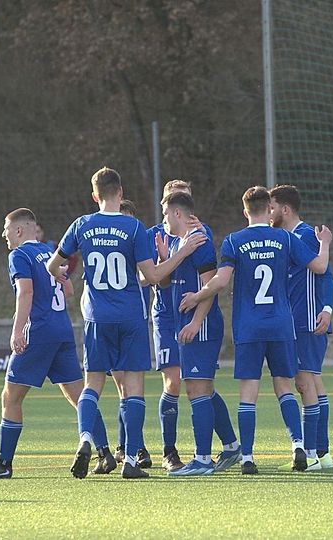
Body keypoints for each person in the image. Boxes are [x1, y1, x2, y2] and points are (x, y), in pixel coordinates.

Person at [46, 167, 204, 479]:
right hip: (130, 316)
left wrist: (64, 278)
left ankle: (85, 438)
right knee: (133, 388)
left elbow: (53, 265)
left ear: (95, 196)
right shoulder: (133, 228)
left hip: (97, 316)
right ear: (120, 193)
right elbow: (154, 276)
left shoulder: (82, 224)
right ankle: (130, 459)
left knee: (92, 384)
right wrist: (182, 252)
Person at [180, 186, 331, 475]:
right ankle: (298, 445)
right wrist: (324, 243)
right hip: (281, 325)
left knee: (248, 393)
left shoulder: (234, 241)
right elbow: (320, 267)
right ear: (269, 209)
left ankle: (248, 457)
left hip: (249, 326)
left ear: (244, 211)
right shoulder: (285, 238)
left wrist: (197, 296)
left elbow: (221, 282)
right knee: (284, 387)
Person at [0, 208, 115, 480]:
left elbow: (25, 292)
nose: (4, 234)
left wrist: (17, 331)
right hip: (62, 330)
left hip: (38, 332)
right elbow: (68, 290)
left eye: (6, 229)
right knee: (78, 396)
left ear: (19, 230)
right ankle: (104, 452)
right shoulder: (50, 252)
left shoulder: (19, 255)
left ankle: (4, 462)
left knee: (11, 397)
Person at [161, 191, 241, 476]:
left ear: (177, 213)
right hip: (186, 323)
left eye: (165, 214)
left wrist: (196, 322)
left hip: (201, 326)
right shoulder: (178, 242)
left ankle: (203, 459)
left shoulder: (199, 239)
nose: (163, 220)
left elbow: (210, 285)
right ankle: (230, 446)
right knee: (203, 388)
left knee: (196, 388)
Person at [269, 185, 333, 470]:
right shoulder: (285, 237)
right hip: (296, 320)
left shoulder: (306, 235)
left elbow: (325, 274)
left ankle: (310, 454)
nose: (269, 212)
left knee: (304, 382)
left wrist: (326, 309)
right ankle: (322, 452)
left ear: (285, 209)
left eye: (272, 207)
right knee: (313, 382)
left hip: (305, 321)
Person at [113, 198, 155, 468]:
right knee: (124, 389)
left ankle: (132, 447)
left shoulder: (140, 241)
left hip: (133, 323)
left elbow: (147, 276)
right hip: (112, 322)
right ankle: (127, 446)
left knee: (131, 390)